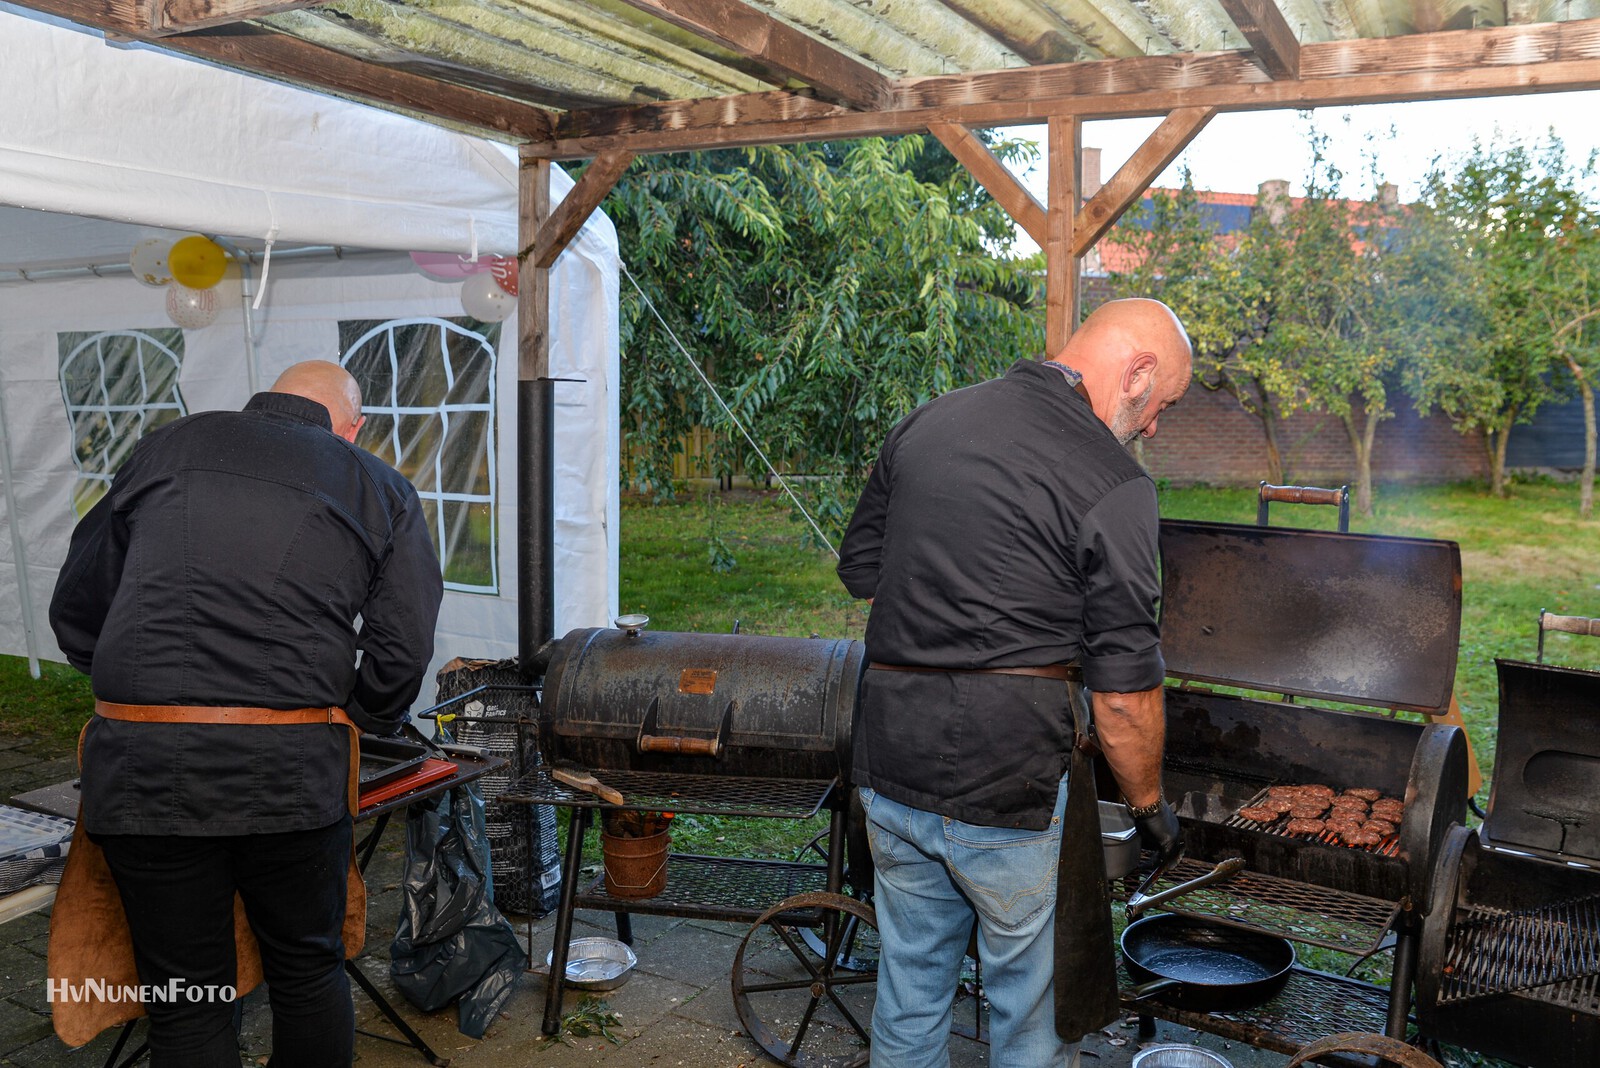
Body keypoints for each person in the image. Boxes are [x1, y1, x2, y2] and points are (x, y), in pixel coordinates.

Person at [49, 360, 444, 1067]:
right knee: (307, 969)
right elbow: (402, 650)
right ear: (350, 427)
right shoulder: (379, 484)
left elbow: (77, 607)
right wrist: (358, 718)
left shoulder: (165, 447)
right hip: (290, 770)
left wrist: (139, 694)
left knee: (186, 997)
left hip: (143, 766)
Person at [836, 298, 1193, 1066]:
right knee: (1029, 1014)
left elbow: (861, 570)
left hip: (890, 757)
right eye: (1163, 405)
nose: (1155, 427)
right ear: (1136, 374)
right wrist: (1150, 806)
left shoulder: (925, 423)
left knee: (910, 988)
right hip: (1008, 782)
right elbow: (1125, 697)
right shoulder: (1114, 481)